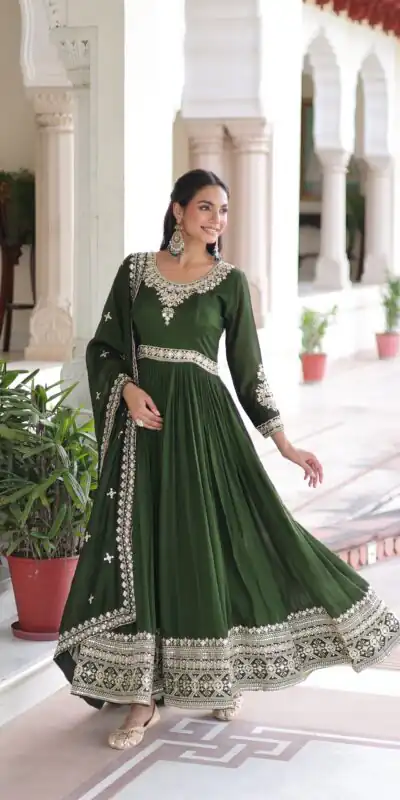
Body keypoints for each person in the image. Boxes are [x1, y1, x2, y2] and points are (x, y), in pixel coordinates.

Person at [55, 168, 400, 750]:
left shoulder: (230, 283)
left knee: (216, 542)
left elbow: (248, 371)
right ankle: (142, 698)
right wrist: (127, 390)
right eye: (205, 208)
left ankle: (220, 673)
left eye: (223, 211)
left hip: (206, 429)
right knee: (149, 546)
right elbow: (104, 348)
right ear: (178, 210)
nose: (216, 220)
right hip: (146, 433)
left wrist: (284, 443)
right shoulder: (135, 272)